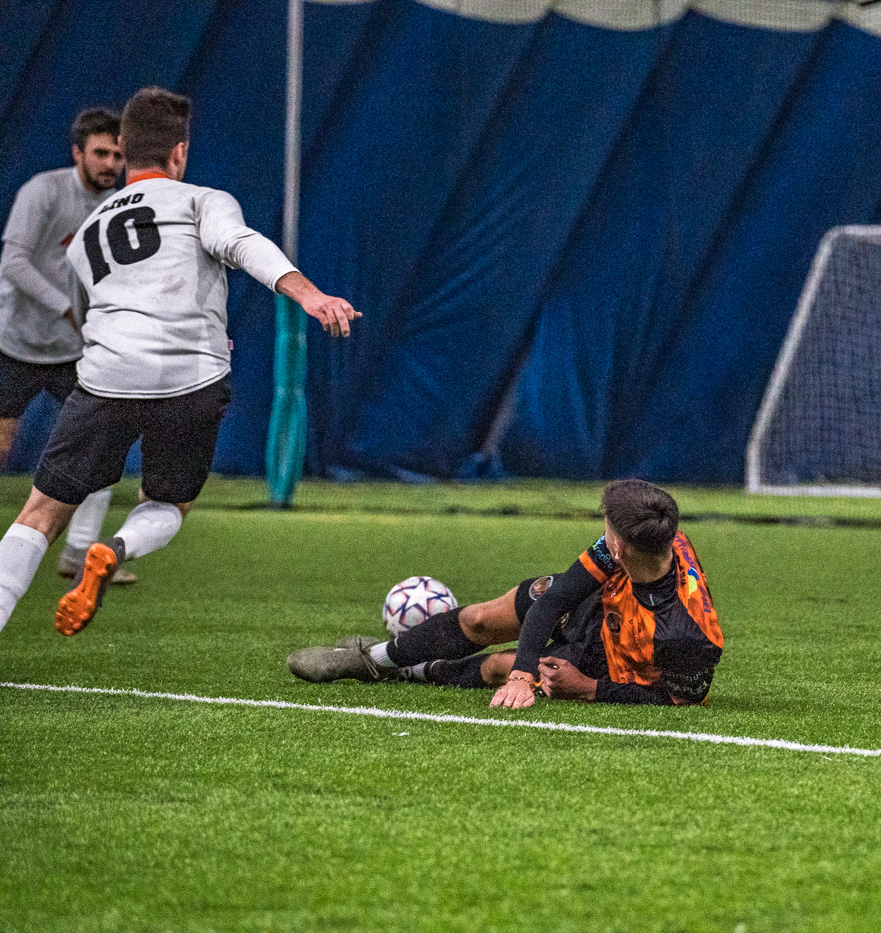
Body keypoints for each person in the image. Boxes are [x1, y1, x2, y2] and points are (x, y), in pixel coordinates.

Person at [0, 86, 360, 637]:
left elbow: (87, 311)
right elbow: (240, 244)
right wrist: (309, 295)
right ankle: (115, 549)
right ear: (179, 154)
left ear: (124, 150)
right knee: (170, 504)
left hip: (106, 377)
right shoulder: (201, 199)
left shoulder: (88, 232)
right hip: (191, 380)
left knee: (40, 513)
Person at [287, 479, 724, 707]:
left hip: (610, 661)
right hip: (598, 602)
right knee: (481, 619)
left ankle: (407, 670)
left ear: (620, 546)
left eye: (605, 529)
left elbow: (678, 698)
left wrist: (589, 687)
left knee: (499, 665)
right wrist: (524, 673)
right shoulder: (651, 537)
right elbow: (554, 602)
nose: (601, 531)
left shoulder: (685, 635)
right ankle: (372, 658)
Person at [0, 108, 135, 584]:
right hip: (12, 344)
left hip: (74, 353)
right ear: (78, 152)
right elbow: (12, 261)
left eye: (118, 155)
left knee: (102, 445)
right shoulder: (43, 191)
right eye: (100, 152)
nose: (110, 163)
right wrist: (65, 307)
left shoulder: (121, 207)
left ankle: (79, 555)